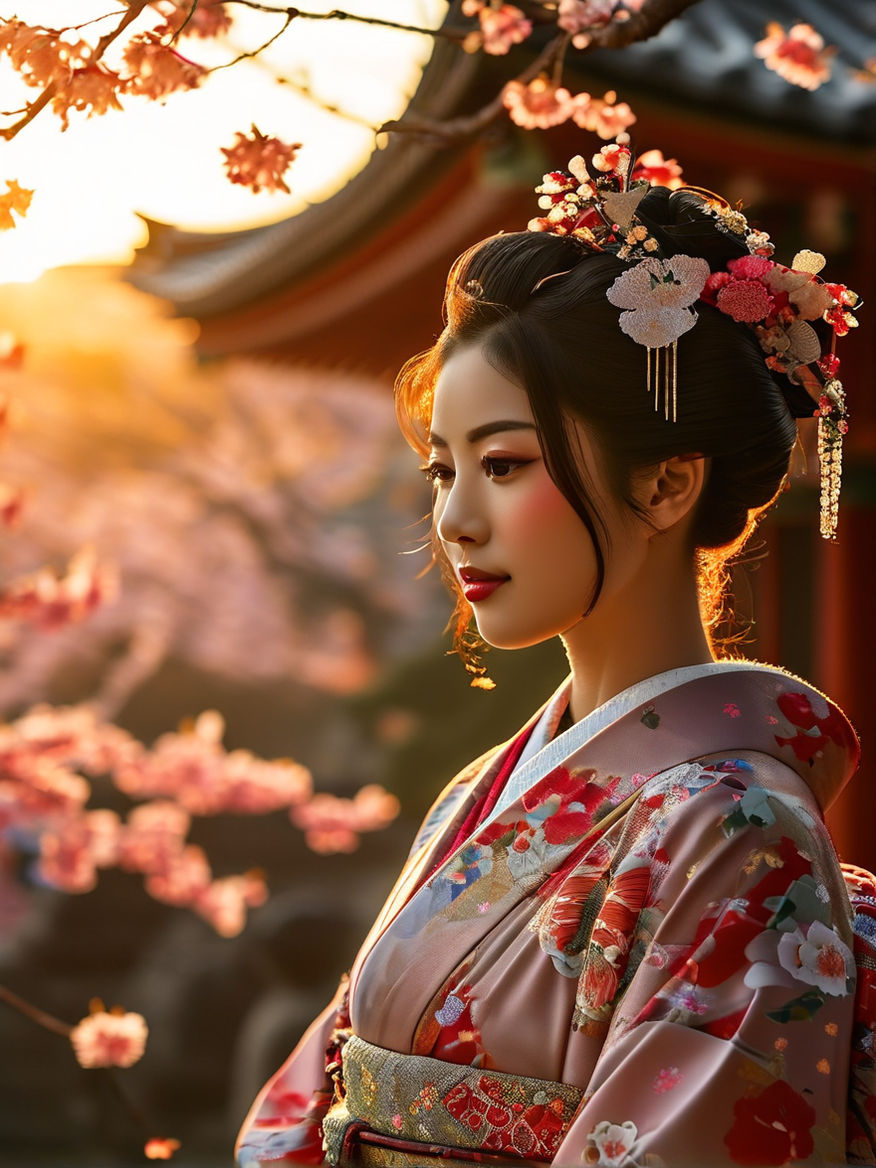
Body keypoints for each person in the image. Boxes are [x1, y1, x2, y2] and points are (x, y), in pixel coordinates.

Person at [236, 145, 875, 1167]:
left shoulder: (739, 827)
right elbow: (323, 1094)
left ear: (666, 485)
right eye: (442, 471)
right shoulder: (482, 790)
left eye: (502, 464)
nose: (454, 519)